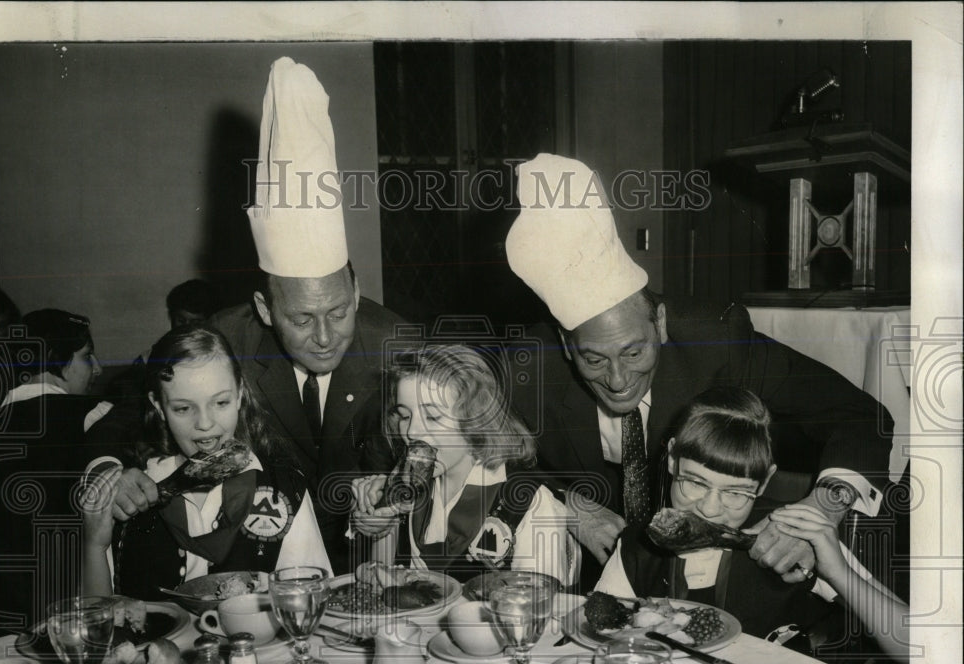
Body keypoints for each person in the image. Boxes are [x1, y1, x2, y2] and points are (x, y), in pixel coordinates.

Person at [505, 153, 895, 592]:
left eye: (634, 353)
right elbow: (483, 452)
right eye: (593, 360)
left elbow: (861, 415)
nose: (617, 380)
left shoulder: (717, 342)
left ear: (663, 324)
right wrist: (570, 507)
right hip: (597, 573)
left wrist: (821, 510)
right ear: (565, 347)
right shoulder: (531, 367)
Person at [88, 59, 402, 576]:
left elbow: (445, 451)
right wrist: (109, 472)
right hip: (259, 566)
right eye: (301, 320)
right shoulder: (224, 335)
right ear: (264, 309)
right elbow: (119, 410)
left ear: (357, 291)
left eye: (339, 311)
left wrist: (395, 499)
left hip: (367, 566)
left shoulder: (397, 342)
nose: (325, 337)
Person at [594, 386, 908, 660]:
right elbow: (598, 638)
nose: (709, 508)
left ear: (764, 482)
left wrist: (837, 572)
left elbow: (917, 647)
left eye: (735, 492)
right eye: (695, 482)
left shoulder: (793, 539)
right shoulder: (636, 547)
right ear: (673, 458)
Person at [81, 324, 331, 600]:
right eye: (183, 408)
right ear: (159, 407)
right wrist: (94, 544)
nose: (205, 423)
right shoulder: (131, 493)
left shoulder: (283, 488)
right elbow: (98, 621)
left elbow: (312, 597)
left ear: (239, 395)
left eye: (220, 402)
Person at [351, 344, 580, 588]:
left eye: (433, 416)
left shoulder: (529, 503)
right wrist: (379, 524)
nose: (413, 431)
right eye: (405, 416)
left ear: (476, 419)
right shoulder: (409, 491)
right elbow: (388, 595)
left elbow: (537, 610)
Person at [0, 309, 113, 636]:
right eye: (86, 356)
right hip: (73, 619)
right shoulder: (95, 416)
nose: (96, 368)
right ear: (57, 359)